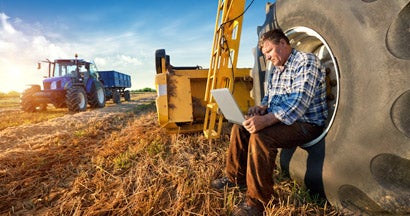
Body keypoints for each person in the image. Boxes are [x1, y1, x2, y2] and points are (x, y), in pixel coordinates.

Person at [211, 29, 328, 215]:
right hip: (284, 121)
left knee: (260, 136)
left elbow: (298, 104)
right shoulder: (276, 69)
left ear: (283, 43)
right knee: (240, 128)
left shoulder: (306, 62)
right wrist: (261, 108)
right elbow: (271, 97)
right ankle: (235, 178)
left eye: (269, 51)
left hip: (306, 124)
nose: (267, 57)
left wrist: (265, 121)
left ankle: (257, 202)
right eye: (264, 54)